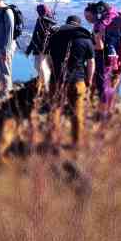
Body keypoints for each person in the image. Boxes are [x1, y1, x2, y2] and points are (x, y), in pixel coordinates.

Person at [47, 15, 95, 147]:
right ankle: (76, 144)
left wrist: (53, 71)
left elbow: (48, 59)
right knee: (77, 113)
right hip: (77, 81)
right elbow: (91, 62)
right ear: (78, 25)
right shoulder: (86, 39)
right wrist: (89, 80)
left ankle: (52, 142)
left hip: (56, 80)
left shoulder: (55, 37)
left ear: (67, 23)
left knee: (54, 111)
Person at [84, 1, 121, 118]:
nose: (87, 20)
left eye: (88, 17)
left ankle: (103, 112)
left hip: (103, 57)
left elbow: (99, 46)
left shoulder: (100, 25)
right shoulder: (113, 15)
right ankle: (107, 108)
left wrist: (87, 45)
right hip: (112, 57)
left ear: (97, 13)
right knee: (107, 84)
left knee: (102, 85)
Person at [25, 4, 58, 95]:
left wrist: (29, 50)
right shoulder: (53, 21)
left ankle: (44, 89)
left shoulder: (40, 21)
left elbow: (35, 36)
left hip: (40, 50)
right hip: (50, 50)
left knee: (41, 69)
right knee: (47, 69)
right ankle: (47, 89)